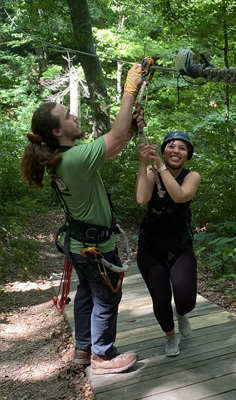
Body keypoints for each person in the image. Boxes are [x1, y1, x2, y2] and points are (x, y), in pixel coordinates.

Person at [20, 64, 146, 374]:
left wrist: (128, 130)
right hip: (95, 246)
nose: (74, 116)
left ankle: (84, 347)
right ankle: (102, 356)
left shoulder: (64, 159)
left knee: (88, 295)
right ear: (57, 131)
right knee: (107, 299)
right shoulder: (74, 158)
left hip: (80, 243)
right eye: (68, 115)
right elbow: (114, 138)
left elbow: (114, 145)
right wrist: (129, 90)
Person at [135, 130, 200, 357]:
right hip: (150, 247)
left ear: (187, 155)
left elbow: (180, 196)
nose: (176, 151)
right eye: (171, 146)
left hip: (179, 245)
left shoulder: (192, 176)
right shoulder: (151, 172)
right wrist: (144, 164)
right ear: (163, 149)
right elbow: (142, 198)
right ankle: (170, 336)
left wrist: (160, 166)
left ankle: (182, 313)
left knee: (186, 300)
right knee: (160, 298)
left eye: (182, 148)